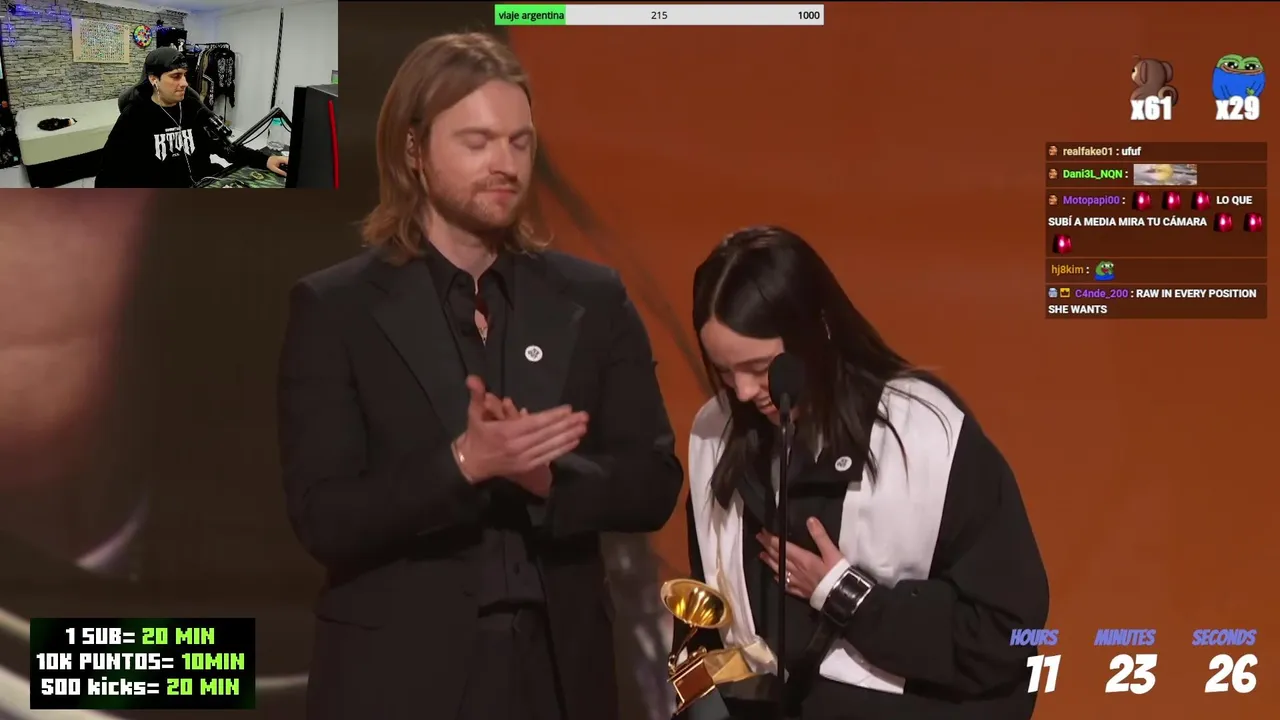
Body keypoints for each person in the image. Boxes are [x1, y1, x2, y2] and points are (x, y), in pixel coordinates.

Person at [277, 32, 684, 720]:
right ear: (414, 149)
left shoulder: (592, 299)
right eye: (478, 142)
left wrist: (548, 479)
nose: (505, 164)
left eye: (520, 143)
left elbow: (652, 483)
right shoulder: (336, 309)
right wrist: (464, 464)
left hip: (560, 679)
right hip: (399, 685)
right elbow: (325, 517)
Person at [678, 226, 1049, 720]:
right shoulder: (714, 434)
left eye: (761, 367)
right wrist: (693, 701)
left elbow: (1008, 633)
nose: (743, 391)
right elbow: (707, 617)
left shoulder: (924, 434)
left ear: (819, 330)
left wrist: (846, 595)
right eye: (725, 372)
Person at [96, 47, 286, 187]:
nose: (185, 83)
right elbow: (109, 174)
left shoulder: (192, 108)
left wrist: (264, 160)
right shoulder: (135, 116)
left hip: (205, 184)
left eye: (185, 75)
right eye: (176, 76)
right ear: (154, 80)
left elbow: (226, 148)